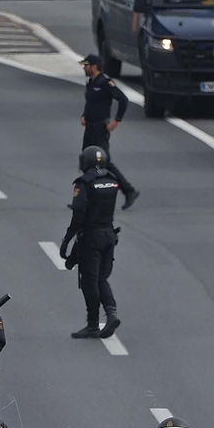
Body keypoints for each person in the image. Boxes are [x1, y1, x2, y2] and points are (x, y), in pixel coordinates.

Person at [62, 146, 122, 340]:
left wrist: (67, 240)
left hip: (91, 238)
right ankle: (111, 313)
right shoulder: (112, 180)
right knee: (101, 278)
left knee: (89, 281)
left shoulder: (84, 183)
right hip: (109, 235)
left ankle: (93, 324)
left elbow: (78, 214)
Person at [78, 53, 140, 205]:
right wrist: (84, 115)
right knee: (86, 161)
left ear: (94, 66)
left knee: (104, 161)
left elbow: (123, 100)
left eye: (86, 65)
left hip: (100, 128)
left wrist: (116, 120)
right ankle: (85, 197)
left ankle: (128, 189)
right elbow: (91, 103)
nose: (84, 68)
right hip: (89, 128)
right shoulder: (91, 83)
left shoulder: (106, 83)